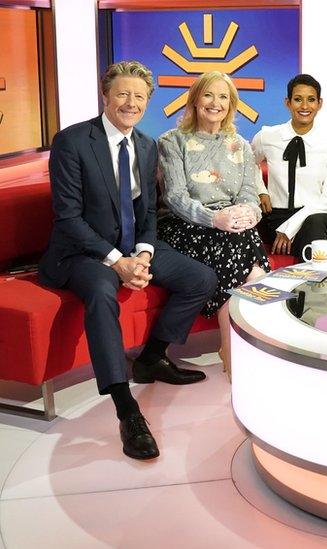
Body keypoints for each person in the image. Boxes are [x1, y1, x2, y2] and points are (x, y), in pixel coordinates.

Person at [39, 61, 217, 460]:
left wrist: (144, 252)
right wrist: (118, 261)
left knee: (201, 278)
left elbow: (148, 212)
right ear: (106, 96)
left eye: (139, 96)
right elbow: (67, 218)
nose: (130, 102)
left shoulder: (146, 145)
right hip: (81, 252)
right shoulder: (72, 141)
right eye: (122, 93)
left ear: (148, 102)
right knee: (102, 291)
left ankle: (152, 358)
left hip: (130, 247)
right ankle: (126, 409)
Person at [157, 71, 270, 376]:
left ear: (231, 105)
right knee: (248, 261)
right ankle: (235, 349)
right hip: (185, 224)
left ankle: (236, 346)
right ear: (194, 100)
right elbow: (176, 198)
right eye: (208, 95)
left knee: (247, 251)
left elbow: (250, 194)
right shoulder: (171, 141)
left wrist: (248, 215)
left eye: (223, 97)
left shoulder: (241, 145)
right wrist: (215, 218)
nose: (215, 103)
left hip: (230, 226)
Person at [252, 74, 327, 260]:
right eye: (298, 99)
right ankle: (321, 284)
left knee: (315, 226)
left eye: (311, 100)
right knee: (319, 244)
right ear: (288, 102)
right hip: (277, 218)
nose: (304, 106)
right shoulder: (267, 136)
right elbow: (246, 164)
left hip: (320, 216)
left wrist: (289, 229)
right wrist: (260, 190)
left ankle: (309, 286)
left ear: (320, 103)